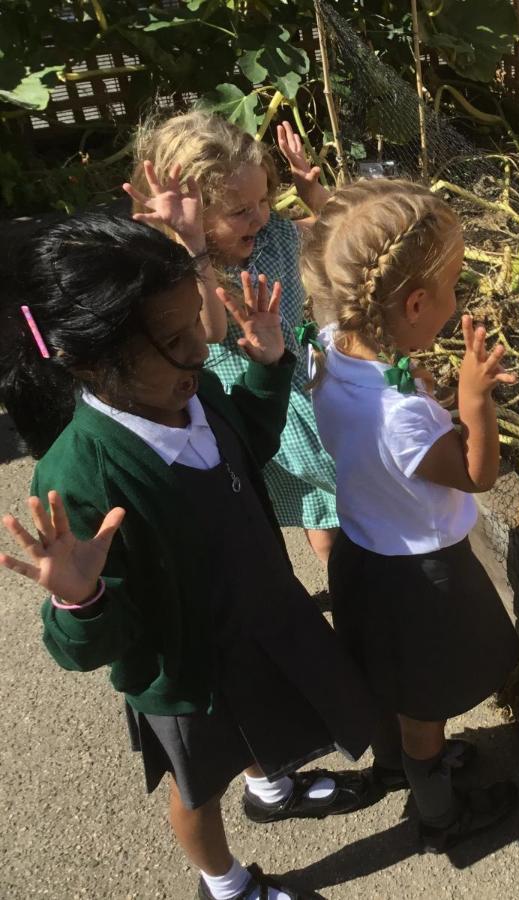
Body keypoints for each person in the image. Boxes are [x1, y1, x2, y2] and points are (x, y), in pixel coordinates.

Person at [0, 213, 379, 899]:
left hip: (257, 618)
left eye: (193, 329)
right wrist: (79, 599)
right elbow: (83, 650)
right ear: (91, 363)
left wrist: (267, 369)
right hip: (187, 675)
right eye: (173, 342)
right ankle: (225, 884)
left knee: (268, 714)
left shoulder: (192, 392)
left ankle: (271, 787)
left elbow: (248, 453)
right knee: (197, 784)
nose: (200, 352)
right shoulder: (78, 476)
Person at [302, 179, 519, 851]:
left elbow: (337, 295)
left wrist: (325, 209)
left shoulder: (328, 348)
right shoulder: (406, 421)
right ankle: (439, 814)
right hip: (419, 580)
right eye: (452, 287)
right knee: (424, 700)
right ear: (417, 303)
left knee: (389, 679)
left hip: (363, 558)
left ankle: (399, 764)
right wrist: (474, 400)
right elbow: (479, 475)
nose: (458, 301)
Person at [123, 109, 339, 565]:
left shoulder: (274, 235)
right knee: (312, 511)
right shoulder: (180, 266)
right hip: (250, 403)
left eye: (265, 199)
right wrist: (194, 246)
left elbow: (343, 233)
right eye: (240, 211)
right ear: (193, 214)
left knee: (326, 512)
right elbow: (212, 329)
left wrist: (311, 191)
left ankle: (351, 590)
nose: (260, 217)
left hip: (297, 381)